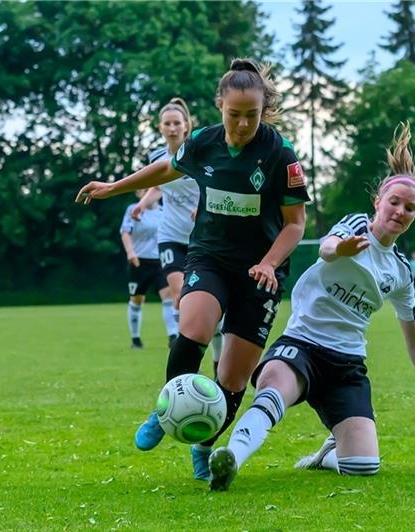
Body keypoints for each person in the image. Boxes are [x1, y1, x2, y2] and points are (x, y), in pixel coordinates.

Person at [205, 123, 415, 492]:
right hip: (302, 345)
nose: (400, 211)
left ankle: (327, 455)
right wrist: (343, 248)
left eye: (410, 208)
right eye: (394, 202)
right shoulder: (355, 226)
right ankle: (231, 459)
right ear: (378, 202)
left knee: (364, 467)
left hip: (346, 364)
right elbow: (326, 248)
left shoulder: (400, 271)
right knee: (272, 392)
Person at [76, 58, 310, 480]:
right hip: (209, 257)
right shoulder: (203, 141)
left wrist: (269, 263)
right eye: (233, 114)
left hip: (261, 273)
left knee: (233, 377)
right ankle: (165, 410)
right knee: (195, 327)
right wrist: (115, 187)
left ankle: (203, 446)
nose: (241, 124)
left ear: (264, 110)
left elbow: (296, 224)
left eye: (251, 116)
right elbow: (167, 168)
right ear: (220, 106)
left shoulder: (280, 154)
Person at [131, 98, 223, 367]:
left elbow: (217, 184)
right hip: (170, 235)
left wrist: (203, 206)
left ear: (186, 127)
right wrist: (141, 204)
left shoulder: (199, 155)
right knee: (182, 297)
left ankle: (217, 355)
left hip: (202, 239)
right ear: (160, 127)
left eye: (177, 123)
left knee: (209, 307)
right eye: (167, 123)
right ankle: (188, 352)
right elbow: (157, 186)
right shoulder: (156, 157)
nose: (172, 128)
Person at [120, 189, 177, 349]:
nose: (145, 193)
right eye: (142, 190)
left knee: (168, 297)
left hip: (160, 261)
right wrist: (130, 252)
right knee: (137, 300)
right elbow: (125, 232)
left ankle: (173, 336)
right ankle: (136, 339)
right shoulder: (133, 210)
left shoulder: (164, 210)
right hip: (139, 261)